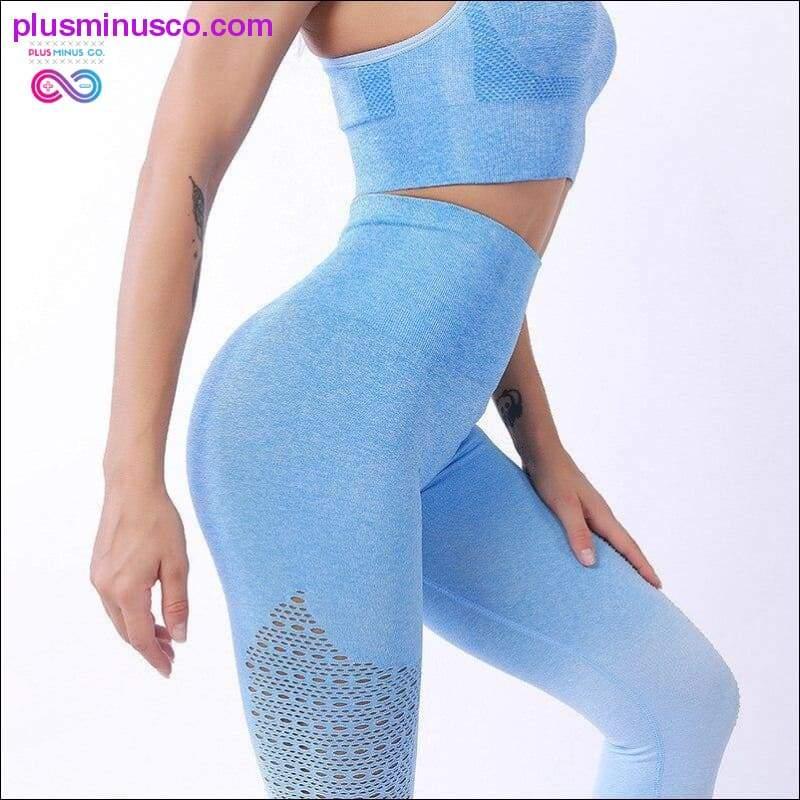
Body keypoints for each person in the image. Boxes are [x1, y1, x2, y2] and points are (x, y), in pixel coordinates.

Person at [90, 3, 739, 797]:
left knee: (681, 701)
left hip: (433, 431)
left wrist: (541, 445)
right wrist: (130, 479)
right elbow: (179, 163)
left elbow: (481, 236)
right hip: (311, 427)